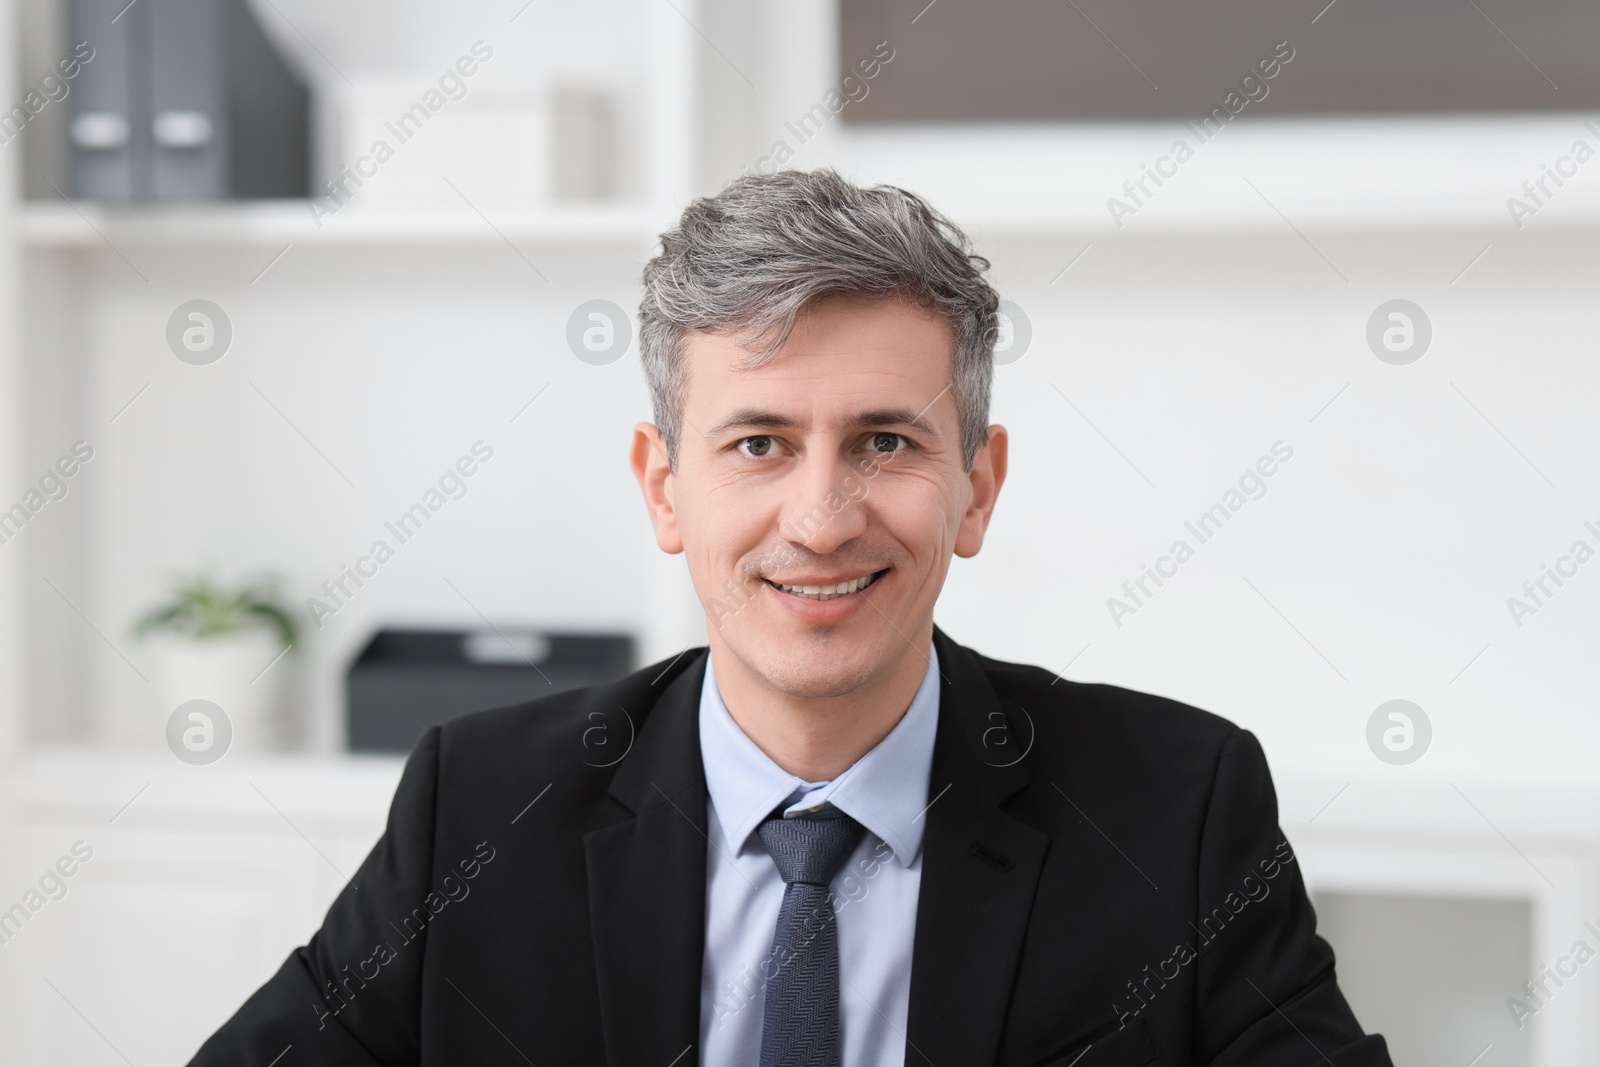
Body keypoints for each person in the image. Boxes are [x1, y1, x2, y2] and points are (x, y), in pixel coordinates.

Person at [189, 169, 1391, 1066]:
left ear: (976, 487)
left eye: (885, 442)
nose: (820, 520)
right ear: (665, 487)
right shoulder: (480, 802)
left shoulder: (1176, 807)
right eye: (758, 443)